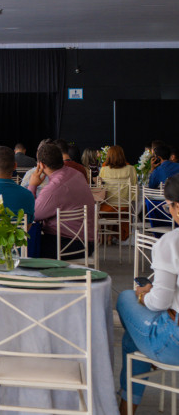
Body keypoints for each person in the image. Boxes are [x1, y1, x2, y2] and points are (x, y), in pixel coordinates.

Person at [117, 174, 179, 414]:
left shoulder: (171, 242)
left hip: (173, 343)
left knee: (125, 297)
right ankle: (126, 405)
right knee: (133, 340)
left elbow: (159, 302)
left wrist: (144, 295)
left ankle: (126, 407)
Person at [28, 143, 96, 259]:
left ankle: (36, 276)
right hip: (88, 242)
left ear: (41, 165)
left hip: (68, 245)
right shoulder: (77, 174)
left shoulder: (54, 188)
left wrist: (32, 185)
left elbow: (33, 214)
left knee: (26, 245)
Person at [98, 145, 137, 242]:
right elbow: (134, 189)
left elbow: (100, 189)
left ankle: (105, 236)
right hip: (124, 207)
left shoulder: (103, 170)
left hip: (106, 207)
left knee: (99, 209)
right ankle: (113, 236)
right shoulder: (131, 169)